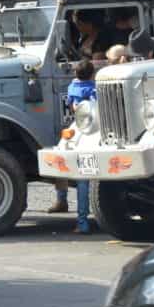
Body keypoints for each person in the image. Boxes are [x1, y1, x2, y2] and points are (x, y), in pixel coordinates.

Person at [66, 59, 97, 234]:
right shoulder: (93, 88)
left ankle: (82, 222)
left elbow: (71, 105)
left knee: (82, 179)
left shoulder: (72, 88)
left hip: (78, 131)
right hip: (94, 130)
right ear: (92, 74)